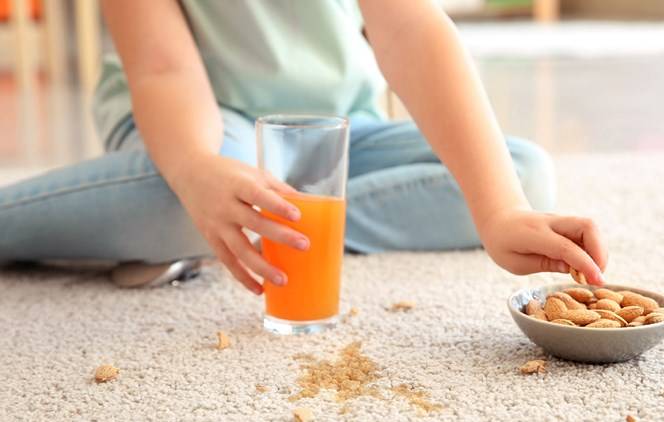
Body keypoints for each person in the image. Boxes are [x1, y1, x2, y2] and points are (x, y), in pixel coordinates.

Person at [0, 0, 607, 292]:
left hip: (337, 125)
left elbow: (411, 28)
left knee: (519, 172)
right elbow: (161, 69)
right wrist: (195, 171)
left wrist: (499, 211)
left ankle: (272, 226)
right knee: (187, 203)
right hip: (208, 123)